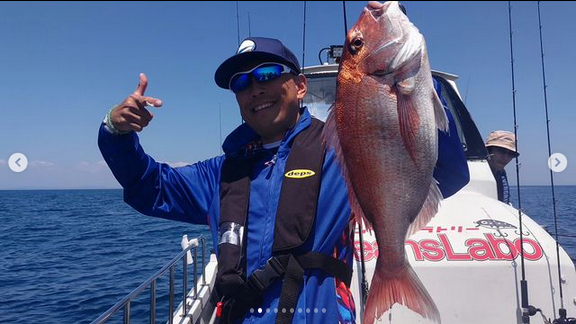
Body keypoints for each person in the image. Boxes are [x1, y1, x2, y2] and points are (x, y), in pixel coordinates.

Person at [98, 37, 469, 323]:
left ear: (301, 87)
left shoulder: (342, 154)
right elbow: (150, 188)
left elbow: (447, 173)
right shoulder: (220, 173)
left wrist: (415, 85)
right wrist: (116, 132)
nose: (254, 88)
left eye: (267, 75)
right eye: (241, 83)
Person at [485, 130, 519, 204]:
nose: (505, 158)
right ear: (488, 150)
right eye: (501, 151)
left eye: (511, 154)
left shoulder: (501, 172)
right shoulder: (473, 172)